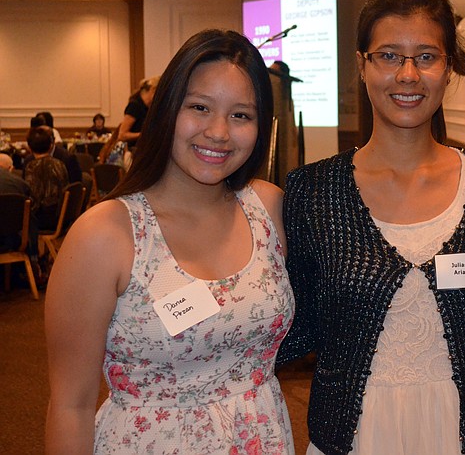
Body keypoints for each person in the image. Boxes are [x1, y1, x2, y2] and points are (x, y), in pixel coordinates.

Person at [276, 0, 465, 455]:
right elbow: (293, 319)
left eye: (426, 56)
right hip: (354, 430)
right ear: (361, 66)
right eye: (389, 56)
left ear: (448, 68)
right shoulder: (312, 192)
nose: (408, 74)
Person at [44, 29, 297, 454]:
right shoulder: (106, 235)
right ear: (166, 111)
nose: (218, 132)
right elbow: (71, 405)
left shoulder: (268, 208)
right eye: (199, 107)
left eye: (241, 115)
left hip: (261, 438)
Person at [23, 126, 69, 231]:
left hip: (41, 221)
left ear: (29, 147)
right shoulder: (60, 164)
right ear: (50, 146)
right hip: (61, 217)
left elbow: (32, 200)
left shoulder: (31, 167)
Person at [117, 75, 158, 152]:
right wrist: (144, 134)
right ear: (153, 90)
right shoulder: (135, 106)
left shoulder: (149, 107)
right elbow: (122, 135)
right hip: (135, 152)